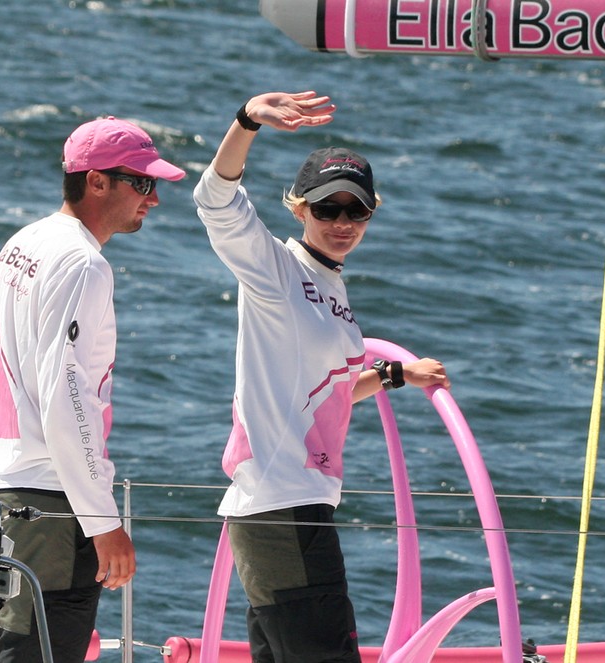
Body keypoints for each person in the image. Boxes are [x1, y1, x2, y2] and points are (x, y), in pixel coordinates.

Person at [193, 91, 451, 663]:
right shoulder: (277, 271)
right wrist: (247, 120)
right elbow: (214, 201)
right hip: (280, 504)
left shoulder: (331, 287)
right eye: (326, 208)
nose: (340, 222)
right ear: (299, 208)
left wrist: (390, 375)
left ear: (370, 213)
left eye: (354, 210)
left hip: (293, 504)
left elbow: (324, 392)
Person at [0, 116, 185, 663]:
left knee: (0, 648)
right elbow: (66, 396)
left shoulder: (25, 241)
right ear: (96, 181)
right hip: (50, 502)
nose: (153, 199)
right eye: (142, 182)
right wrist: (103, 522)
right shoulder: (84, 263)